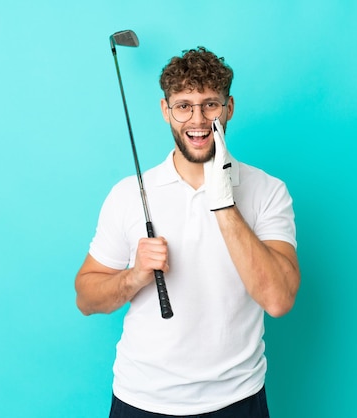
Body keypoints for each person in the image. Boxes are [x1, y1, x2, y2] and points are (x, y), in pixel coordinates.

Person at [75, 46, 300, 417]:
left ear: (229, 108)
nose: (197, 120)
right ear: (166, 111)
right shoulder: (128, 194)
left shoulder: (267, 191)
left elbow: (278, 300)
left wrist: (223, 200)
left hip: (237, 399)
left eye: (210, 104)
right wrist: (133, 277)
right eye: (184, 105)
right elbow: (86, 298)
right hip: (142, 400)